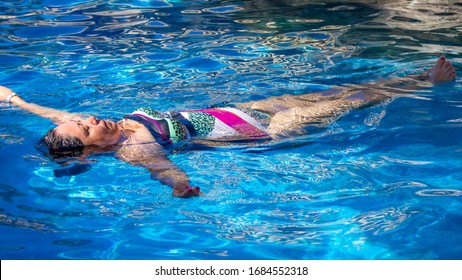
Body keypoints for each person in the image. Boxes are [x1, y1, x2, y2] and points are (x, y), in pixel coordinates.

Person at [0, 57, 457, 198]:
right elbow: (161, 169)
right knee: (349, 103)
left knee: (333, 91)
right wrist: (181, 185)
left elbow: (50, 115)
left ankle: (413, 79)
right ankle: (423, 85)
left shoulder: (92, 125)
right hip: (262, 131)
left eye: (82, 118)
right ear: (89, 151)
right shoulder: (133, 148)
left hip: (240, 108)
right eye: (84, 128)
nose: (86, 119)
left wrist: (16, 100)